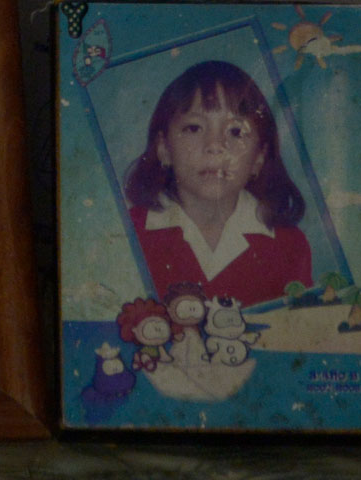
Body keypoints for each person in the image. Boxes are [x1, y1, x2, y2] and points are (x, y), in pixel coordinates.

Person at [122, 60, 312, 306]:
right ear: (163, 149)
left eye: (235, 131)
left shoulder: (290, 247)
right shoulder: (128, 235)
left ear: (259, 158)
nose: (215, 146)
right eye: (194, 128)